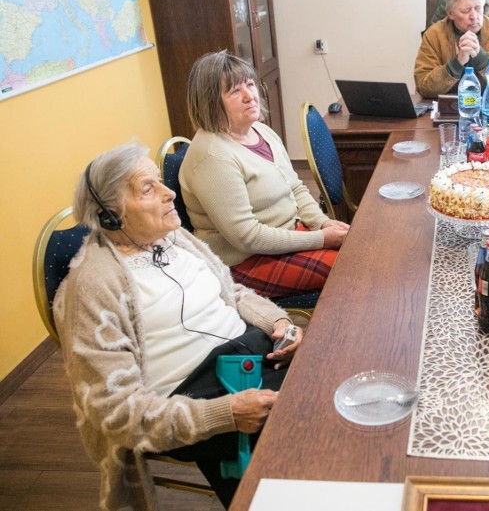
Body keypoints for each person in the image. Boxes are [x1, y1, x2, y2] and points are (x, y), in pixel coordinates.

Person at [54, 143, 304, 509]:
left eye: (160, 182)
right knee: (300, 443)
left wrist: (279, 322)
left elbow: (230, 292)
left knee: (332, 383)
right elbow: (116, 411)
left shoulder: (174, 238)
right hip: (198, 396)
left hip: (252, 356)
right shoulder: (93, 285)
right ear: (111, 215)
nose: (168, 193)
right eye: (147, 188)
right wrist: (227, 414)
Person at [180, 50, 349, 300]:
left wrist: (321, 223)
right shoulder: (213, 157)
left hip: (288, 235)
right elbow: (248, 238)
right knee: (352, 269)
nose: (250, 96)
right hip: (246, 262)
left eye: (250, 85)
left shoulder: (261, 131)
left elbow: (297, 188)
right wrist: (321, 239)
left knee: (360, 251)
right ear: (210, 102)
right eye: (234, 91)